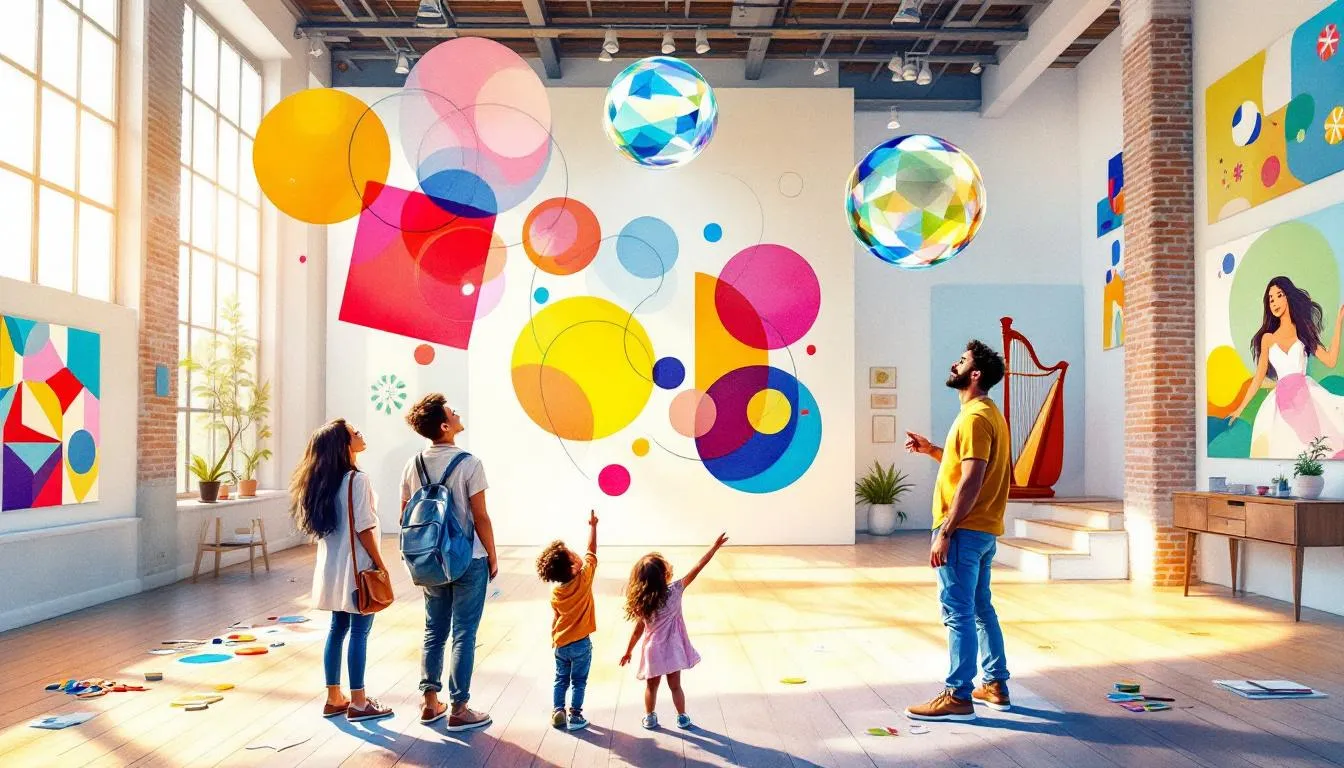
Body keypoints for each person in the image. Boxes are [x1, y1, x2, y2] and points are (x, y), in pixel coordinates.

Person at [903, 340, 1013, 722]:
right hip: (982, 531)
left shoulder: (973, 418)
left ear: (975, 374)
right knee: (981, 608)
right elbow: (966, 466)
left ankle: (957, 694)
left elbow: (972, 479)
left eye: (962, 361)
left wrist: (946, 530)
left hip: (964, 531)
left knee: (958, 612)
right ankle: (995, 685)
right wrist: (933, 450)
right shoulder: (988, 414)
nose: (955, 364)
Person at [401, 393, 497, 732]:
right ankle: (459, 708)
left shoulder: (413, 465)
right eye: (451, 412)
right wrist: (492, 556)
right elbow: (480, 517)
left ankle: (430, 704)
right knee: (464, 634)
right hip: (468, 559)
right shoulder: (470, 463)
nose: (457, 413)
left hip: (430, 561)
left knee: (434, 631)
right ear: (445, 425)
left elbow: (405, 515)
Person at [290, 419, 394, 723]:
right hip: (358, 566)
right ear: (343, 444)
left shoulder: (321, 482)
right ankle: (360, 702)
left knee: (337, 630)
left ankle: (334, 698)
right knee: (360, 631)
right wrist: (380, 563)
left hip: (332, 568)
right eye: (354, 432)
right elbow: (364, 528)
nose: (360, 433)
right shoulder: (357, 480)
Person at [619, 533, 728, 730]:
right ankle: (682, 717)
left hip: (653, 651)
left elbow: (637, 630)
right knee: (675, 686)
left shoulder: (644, 602)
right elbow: (697, 568)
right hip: (673, 649)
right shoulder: (676, 590)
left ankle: (650, 717)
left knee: (651, 687)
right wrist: (713, 548)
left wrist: (628, 651)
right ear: (664, 575)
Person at [1227, 276, 1344, 458]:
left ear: (1288, 296)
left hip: (1306, 395)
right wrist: (1240, 408)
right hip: (1281, 401)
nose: (1274, 302)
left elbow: (1330, 360)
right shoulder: (1268, 338)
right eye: (1270, 299)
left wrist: (1339, 322)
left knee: (1318, 445)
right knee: (1287, 449)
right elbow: (1258, 378)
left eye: (1279, 295)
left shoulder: (1303, 331)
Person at [535, 511, 600, 732]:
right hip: (581, 644)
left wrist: (555, 637)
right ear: (573, 567)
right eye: (574, 555)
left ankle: (557, 711)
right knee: (579, 681)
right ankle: (575, 716)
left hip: (561, 644)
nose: (577, 555)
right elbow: (592, 550)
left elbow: (555, 618)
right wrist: (593, 526)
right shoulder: (584, 579)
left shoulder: (556, 593)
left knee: (560, 679)